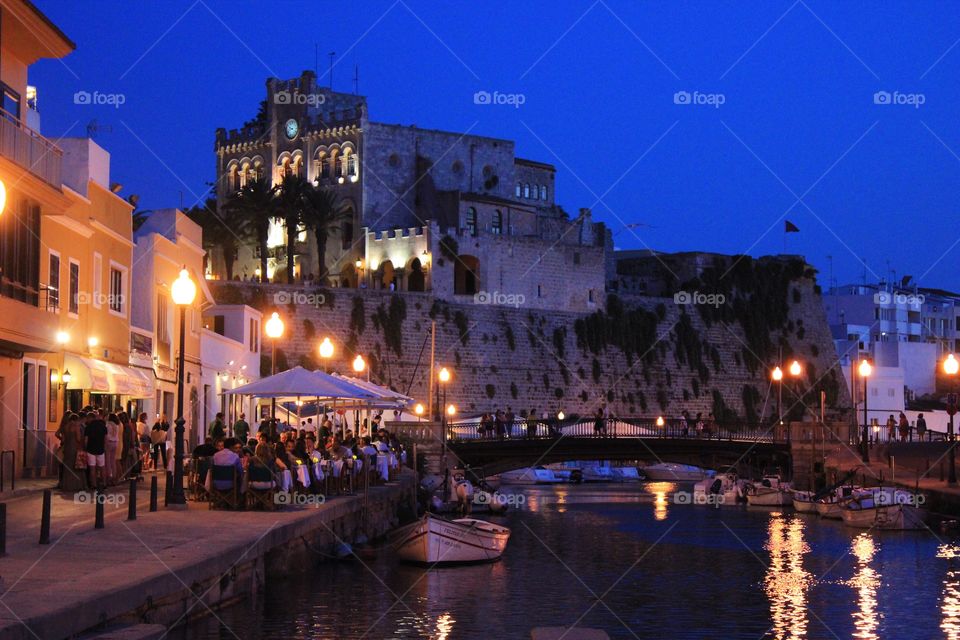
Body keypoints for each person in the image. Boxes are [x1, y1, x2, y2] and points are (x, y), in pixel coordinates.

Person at [58, 412, 87, 492]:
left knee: (68, 467)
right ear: (76, 419)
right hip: (74, 448)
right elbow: (78, 438)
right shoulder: (76, 427)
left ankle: (67, 485)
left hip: (67, 448)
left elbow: (63, 439)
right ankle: (76, 485)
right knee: (76, 467)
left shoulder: (65, 427)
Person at [85, 411, 108, 488]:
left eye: (87, 418)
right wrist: (104, 447)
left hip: (90, 449)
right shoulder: (103, 426)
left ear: (90, 418)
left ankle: (94, 484)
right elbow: (105, 439)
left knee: (92, 468)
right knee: (102, 467)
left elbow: (86, 440)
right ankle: (104, 483)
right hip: (100, 449)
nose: (86, 420)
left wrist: (85, 448)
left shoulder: (88, 427)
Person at [104, 413, 121, 485]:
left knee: (107, 461)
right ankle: (114, 476)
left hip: (109, 442)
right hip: (115, 442)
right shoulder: (116, 425)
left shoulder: (108, 424)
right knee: (113, 461)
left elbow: (107, 435)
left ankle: (109, 477)